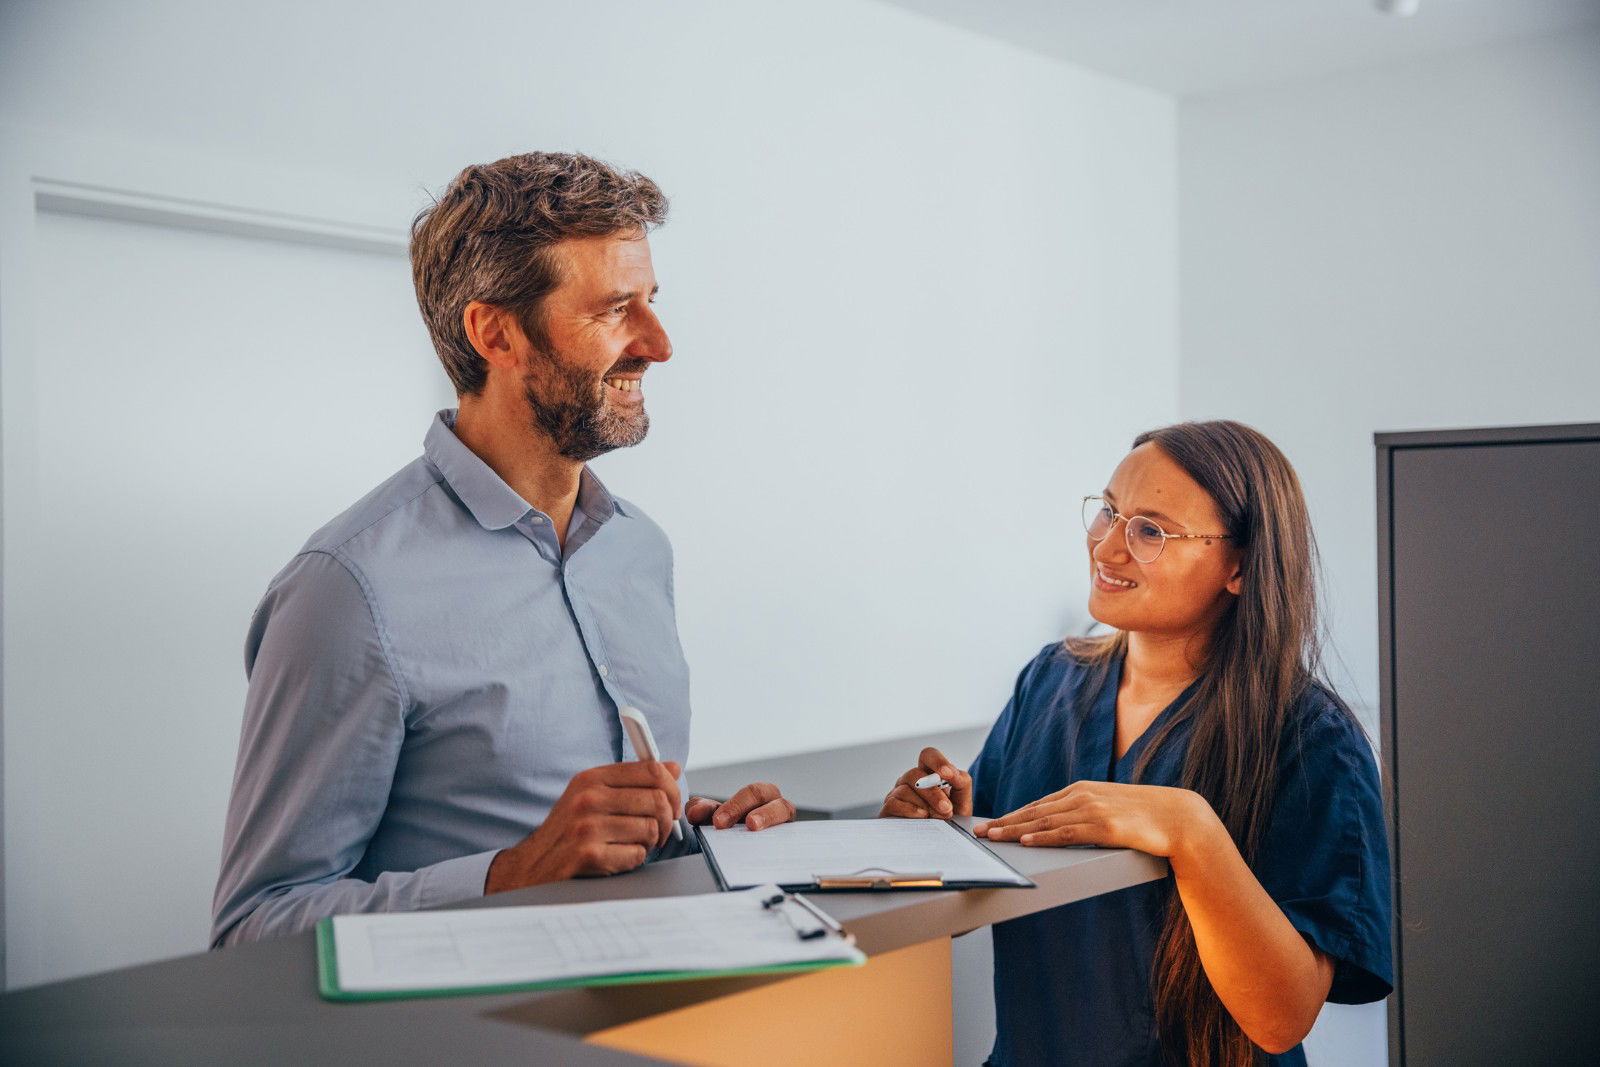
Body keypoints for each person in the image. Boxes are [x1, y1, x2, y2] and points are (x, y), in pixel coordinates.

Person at [212, 153, 795, 949]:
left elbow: (602, 843)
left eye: (651, 302)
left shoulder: (639, 550)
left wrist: (703, 830)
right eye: (615, 309)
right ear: (494, 332)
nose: (658, 344)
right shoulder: (347, 589)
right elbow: (254, 926)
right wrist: (509, 875)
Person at [880, 421, 1392, 1067]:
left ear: (1239, 565)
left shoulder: (1313, 741)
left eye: (1150, 530)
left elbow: (1280, 1017)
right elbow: (966, 905)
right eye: (1110, 512)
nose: (1108, 546)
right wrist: (924, 838)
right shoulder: (1050, 681)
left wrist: (1191, 830)